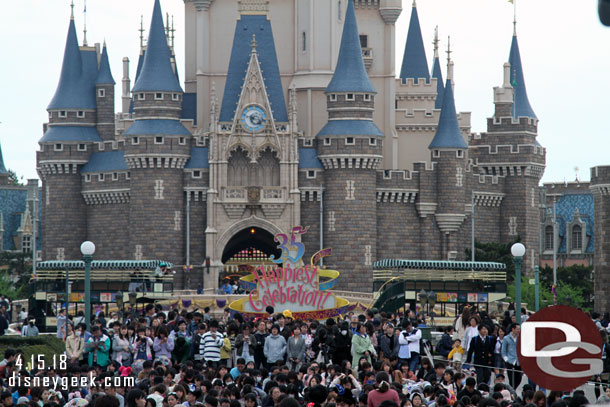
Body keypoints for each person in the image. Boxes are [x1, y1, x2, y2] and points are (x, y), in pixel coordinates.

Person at [501, 323, 522, 389]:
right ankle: (512, 391)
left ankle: (513, 390)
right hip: (510, 361)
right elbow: (503, 351)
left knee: (519, 378)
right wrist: (506, 360)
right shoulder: (506, 338)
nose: (519, 330)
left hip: (519, 361)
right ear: (513, 329)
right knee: (511, 380)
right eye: (517, 329)